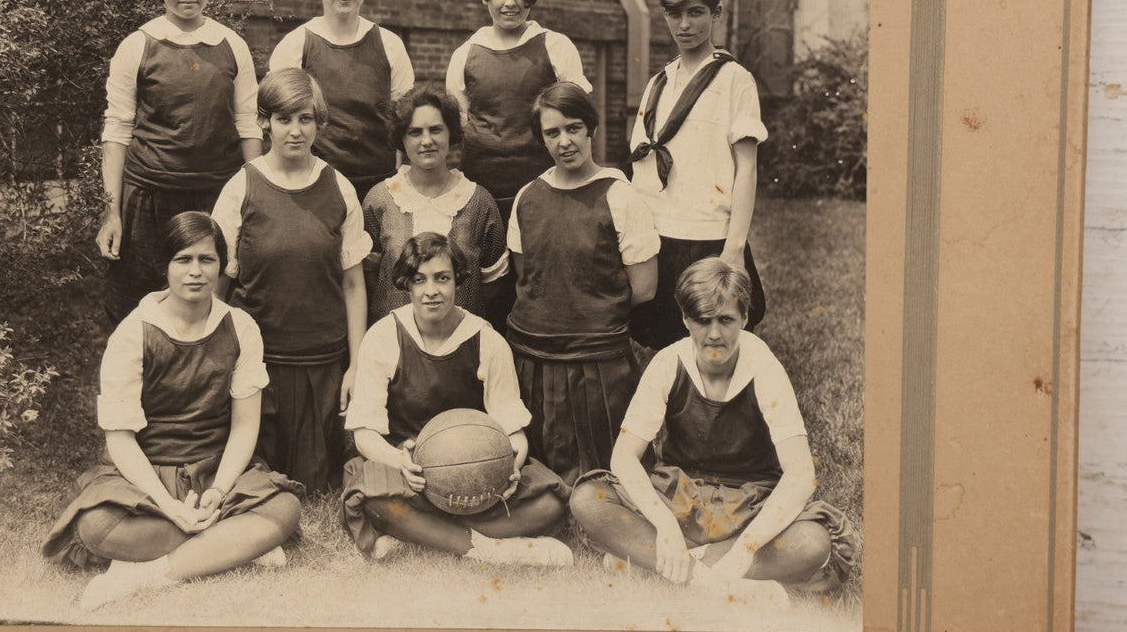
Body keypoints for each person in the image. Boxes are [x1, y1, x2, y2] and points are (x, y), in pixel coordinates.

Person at [42, 212, 304, 610]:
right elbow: (120, 439)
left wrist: (217, 493)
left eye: (206, 259)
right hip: (147, 475)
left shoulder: (241, 326)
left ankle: (145, 575)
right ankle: (234, 545)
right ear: (164, 266)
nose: (195, 272)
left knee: (286, 508)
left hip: (217, 471)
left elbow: (245, 427)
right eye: (183, 260)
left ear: (222, 265)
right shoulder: (133, 332)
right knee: (96, 526)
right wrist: (168, 506)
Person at [571, 258, 859, 593]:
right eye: (703, 321)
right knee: (588, 499)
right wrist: (665, 527)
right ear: (685, 319)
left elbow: (800, 475)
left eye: (726, 320)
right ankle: (720, 578)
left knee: (812, 542)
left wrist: (747, 547)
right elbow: (623, 457)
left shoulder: (763, 367)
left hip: (750, 503)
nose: (714, 334)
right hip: (680, 497)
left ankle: (665, 564)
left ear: (745, 318)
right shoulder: (669, 362)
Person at [341, 233, 572, 566]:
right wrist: (399, 462)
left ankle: (431, 535)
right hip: (410, 470)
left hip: (475, 472)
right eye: (419, 280)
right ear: (406, 285)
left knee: (550, 500)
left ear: (459, 282)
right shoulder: (383, 336)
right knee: (373, 497)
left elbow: (513, 430)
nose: (431, 291)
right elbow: (364, 434)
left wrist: (511, 467)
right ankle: (487, 548)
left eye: (442, 278)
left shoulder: (487, 341)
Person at [211, 68, 372, 493]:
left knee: (319, 481)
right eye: (284, 119)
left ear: (319, 123)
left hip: (322, 359)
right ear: (265, 122)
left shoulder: (339, 186)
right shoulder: (241, 186)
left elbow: (354, 284)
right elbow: (217, 284)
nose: (295, 131)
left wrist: (356, 364)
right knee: (258, 476)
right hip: (259, 360)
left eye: (305, 119)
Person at [96, 0, 263, 326]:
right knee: (138, 312)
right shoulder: (136, 45)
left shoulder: (232, 46)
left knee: (212, 309)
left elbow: (248, 124)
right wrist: (112, 213)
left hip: (215, 198)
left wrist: (255, 197)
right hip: (148, 201)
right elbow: (117, 131)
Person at [507, 82, 660, 485]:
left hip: (597, 363)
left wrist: (590, 311)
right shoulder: (527, 196)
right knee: (534, 478)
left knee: (609, 481)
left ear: (591, 128)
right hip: (534, 357)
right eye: (552, 133)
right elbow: (530, 274)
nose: (565, 142)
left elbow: (643, 288)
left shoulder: (620, 197)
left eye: (573, 128)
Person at [445, 0, 592, 331]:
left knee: (543, 281)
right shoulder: (467, 53)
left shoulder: (555, 46)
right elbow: (458, 125)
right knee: (488, 287)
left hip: (543, 187)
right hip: (484, 190)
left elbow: (578, 123)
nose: (510, 2)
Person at [627, 0, 768, 351]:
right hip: (659, 234)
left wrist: (734, 249)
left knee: (712, 344)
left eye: (695, 12)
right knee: (663, 344)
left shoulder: (734, 80)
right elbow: (642, 162)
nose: (684, 24)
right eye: (675, 13)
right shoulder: (659, 81)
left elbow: (746, 168)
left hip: (707, 237)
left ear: (716, 14)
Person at [269, 0, 415, 204]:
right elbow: (276, 121)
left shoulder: (390, 45)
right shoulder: (295, 45)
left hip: (380, 188)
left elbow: (405, 119)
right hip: (314, 186)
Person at [360, 84, 507, 324]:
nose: (427, 140)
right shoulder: (380, 199)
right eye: (415, 132)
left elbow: (492, 285)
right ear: (402, 139)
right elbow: (371, 275)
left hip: (461, 342)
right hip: (396, 340)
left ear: (450, 134)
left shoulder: (479, 202)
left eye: (436, 130)